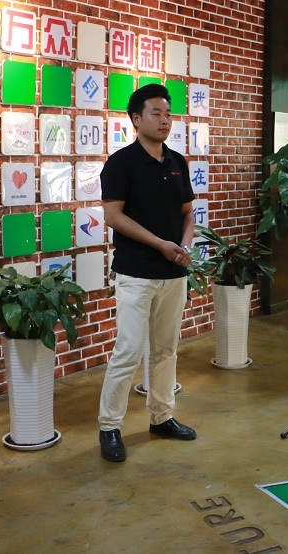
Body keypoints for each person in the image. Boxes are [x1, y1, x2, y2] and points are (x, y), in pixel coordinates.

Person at [97, 83, 197, 462]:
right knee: (128, 350)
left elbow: (187, 213)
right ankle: (110, 427)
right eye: (156, 113)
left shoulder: (177, 162)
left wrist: (184, 246)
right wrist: (160, 245)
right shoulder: (121, 163)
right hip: (137, 273)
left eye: (168, 114)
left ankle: (162, 416)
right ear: (136, 119)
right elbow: (113, 216)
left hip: (174, 273)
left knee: (166, 349)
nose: (165, 120)